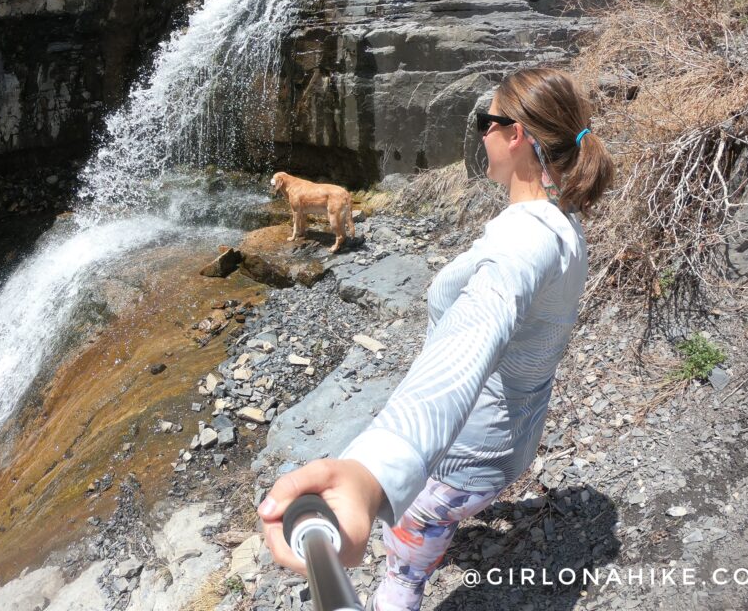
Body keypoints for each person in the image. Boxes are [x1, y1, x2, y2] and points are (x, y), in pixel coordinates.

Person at [257, 67, 615, 610]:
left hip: (467, 450)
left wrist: (372, 472)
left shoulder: (524, 238)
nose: (480, 134)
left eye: (484, 122)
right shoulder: (563, 221)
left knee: (405, 555)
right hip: (513, 433)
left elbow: (472, 339)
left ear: (515, 134)